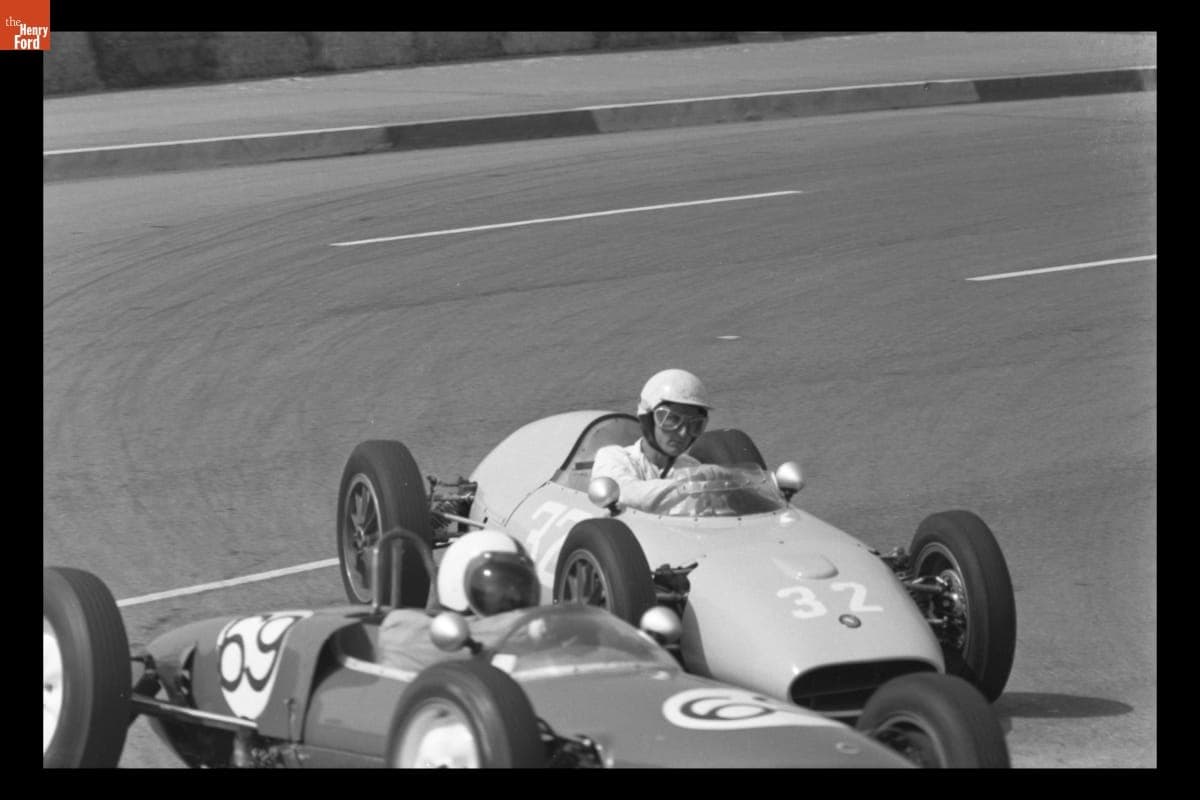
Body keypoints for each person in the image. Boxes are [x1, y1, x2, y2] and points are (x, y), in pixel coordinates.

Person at [378, 530, 540, 670]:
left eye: (520, 587)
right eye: (497, 589)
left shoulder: (535, 631)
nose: (512, 597)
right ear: (456, 584)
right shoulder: (405, 633)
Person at [591, 368, 714, 512]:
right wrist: (698, 482)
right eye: (671, 419)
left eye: (695, 424)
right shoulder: (613, 457)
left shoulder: (692, 467)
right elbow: (629, 494)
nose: (683, 433)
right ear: (648, 418)